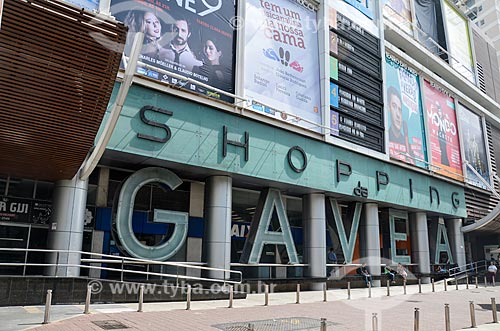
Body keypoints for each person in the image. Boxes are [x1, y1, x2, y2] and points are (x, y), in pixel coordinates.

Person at [387, 86, 414, 163]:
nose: (398, 115)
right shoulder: (385, 137)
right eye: (394, 107)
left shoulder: (408, 146)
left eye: (400, 109)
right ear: (388, 108)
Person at [432, 100, 450, 166]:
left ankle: (445, 162)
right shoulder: (437, 117)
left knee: (444, 149)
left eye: (440, 111)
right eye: (438, 111)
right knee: (442, 149)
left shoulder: (443, 118)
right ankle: (444, 162)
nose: (439, 113)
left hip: (442, 134)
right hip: (440, 134)